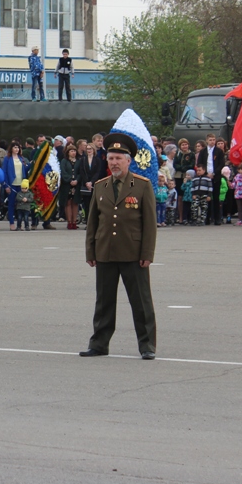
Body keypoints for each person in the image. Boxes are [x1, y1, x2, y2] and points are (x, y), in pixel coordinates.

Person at [81, 132, 158, 360]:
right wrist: (90, 251)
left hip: (133, 253)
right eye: (111, 158)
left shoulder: (142, 186)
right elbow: (93, 222)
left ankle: (147, 345)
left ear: (128, 161)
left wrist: (147, 253)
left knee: (141, 302)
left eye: (118, 159)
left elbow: (150, 224)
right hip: (105, 251)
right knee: (104, 302)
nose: (114, 162)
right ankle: (99, 344)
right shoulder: (101, 186)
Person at [196, 134, 225, 225]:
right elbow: (200, 163)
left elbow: (221, 164)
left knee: (216, 198)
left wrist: (214, 173)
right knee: (206, 198)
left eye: (213, 140)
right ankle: (207, 218)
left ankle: (217, 218)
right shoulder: (203, 151)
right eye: (210, 140)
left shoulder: (219, 151)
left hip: (215, 177)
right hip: (205, 177)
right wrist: (205, 173)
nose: (212, 141)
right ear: (207, 140)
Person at [60, 144, 80, 229]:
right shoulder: (64, 161)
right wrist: (69, 180)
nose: (73, 153)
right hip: (66, 185)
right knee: (67, 203)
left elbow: (80, 172)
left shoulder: (79, 161)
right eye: (71, 151)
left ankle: (74, 221)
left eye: (74, 151)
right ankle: (69, 222)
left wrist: (77, 180)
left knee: (75, 203)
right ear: (68, 152)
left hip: (76, 185)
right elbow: (63, 172)